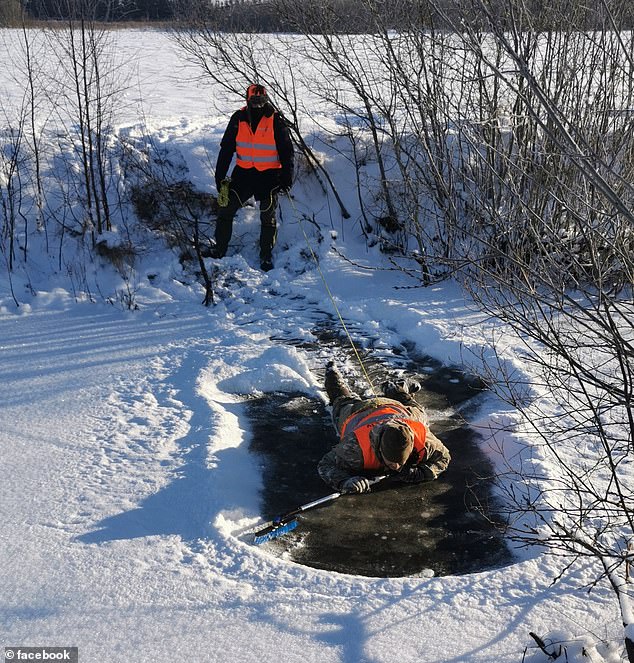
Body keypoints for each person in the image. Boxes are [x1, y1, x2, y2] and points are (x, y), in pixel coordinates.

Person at [318, 362, 451, 493]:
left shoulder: (424, 441)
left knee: (419, 412)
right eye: (392, 462)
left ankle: (396, 389)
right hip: (359, 412)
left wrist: (421, 473)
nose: (396, 467)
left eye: (401, 462)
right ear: (380, 449)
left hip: (397, 410)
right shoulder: (355, 447)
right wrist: (344, 481)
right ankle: (332, 373)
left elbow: (444, 458)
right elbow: (326, 465)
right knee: (341, 401)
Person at [212, 84, 295, 272]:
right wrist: (220, 175)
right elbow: (226, 149)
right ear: (247, 100)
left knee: (267, 216)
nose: (258, 104)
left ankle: (266, 256)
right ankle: (219, 250)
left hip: (269, 175)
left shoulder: (276, 120)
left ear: (266, 100)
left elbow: (287, 151)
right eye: (254, 100)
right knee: (226, 209)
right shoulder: (237, 118)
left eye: (261, 100)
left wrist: (286, 176)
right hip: (243, 174)